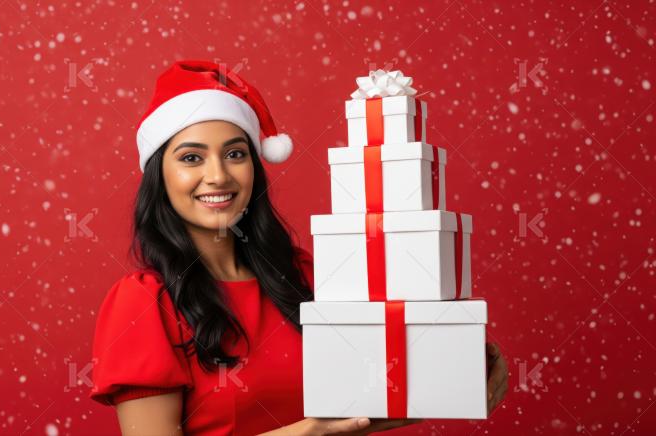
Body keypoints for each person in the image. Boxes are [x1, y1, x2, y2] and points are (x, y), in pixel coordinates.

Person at [88, 60, 509, 435]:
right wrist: (307, 434)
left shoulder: (306, 275)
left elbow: (366, 406)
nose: (218, 176)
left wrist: (460, 373)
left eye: (235, 153)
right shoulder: (143, 303)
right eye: (191, 158)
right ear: (158, 176)